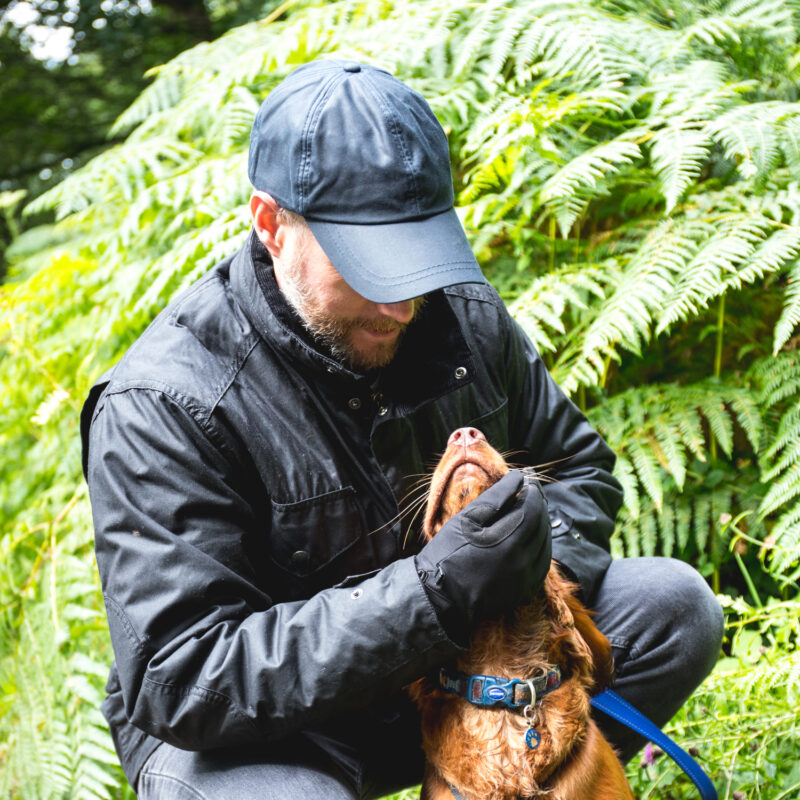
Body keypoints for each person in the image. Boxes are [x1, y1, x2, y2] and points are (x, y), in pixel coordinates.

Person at [81, 60, 723, 800]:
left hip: (459, 681)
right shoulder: (165, 402)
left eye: (417, 259)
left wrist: (517, 566)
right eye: (366, 268)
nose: (402, 305)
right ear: (270, 224)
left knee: (674, 610)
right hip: (272, 735)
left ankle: (531, 780)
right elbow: (187, 675)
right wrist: (439, 592)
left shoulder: (463, 317)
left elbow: (582, 472)